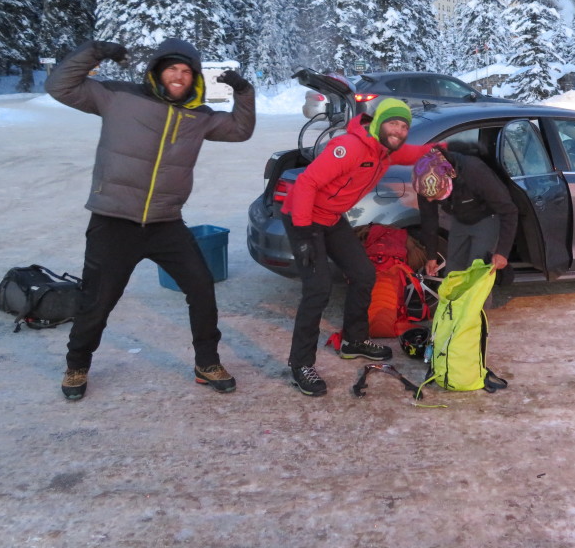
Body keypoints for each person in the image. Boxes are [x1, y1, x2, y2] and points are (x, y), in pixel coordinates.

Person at [46, 38, 256, 400]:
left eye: (187, 71)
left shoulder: (199, 116)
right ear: (158, 71)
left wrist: (244, 91)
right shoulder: (119, 97)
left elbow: (240, 130)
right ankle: (77, 365)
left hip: (165, 222)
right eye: (173, 68)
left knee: (201, 287)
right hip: (114, 220)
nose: (180, 76)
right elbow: (59, 86)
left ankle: (207, 362)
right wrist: (94, 52)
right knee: (99, 299)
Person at [281, 98, 434, 396]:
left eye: (404, 126)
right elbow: (306, 184)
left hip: (331, 218)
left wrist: (445, 151)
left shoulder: (386, 150)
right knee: (318, 289)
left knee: (364, 273)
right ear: (378, 123)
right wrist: (302, 234)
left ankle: (353, 340)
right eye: (393, 123)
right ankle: (300, 364)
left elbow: (415, 152)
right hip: (304, 217)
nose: (399, 130)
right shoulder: (349, 147)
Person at [413, 146, 518, 276]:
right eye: (426, 196)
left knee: (477, 272)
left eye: (434, 195)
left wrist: (502, 252)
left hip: (486, 217)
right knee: (453, 270)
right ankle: (455, 296)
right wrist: (431, 255)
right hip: (460, 218)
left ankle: (480, 295)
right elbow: (429, 219)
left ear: (446, 181)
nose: (429, 200)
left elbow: (509, 210)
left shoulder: (474, 171)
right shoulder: (425, 181)